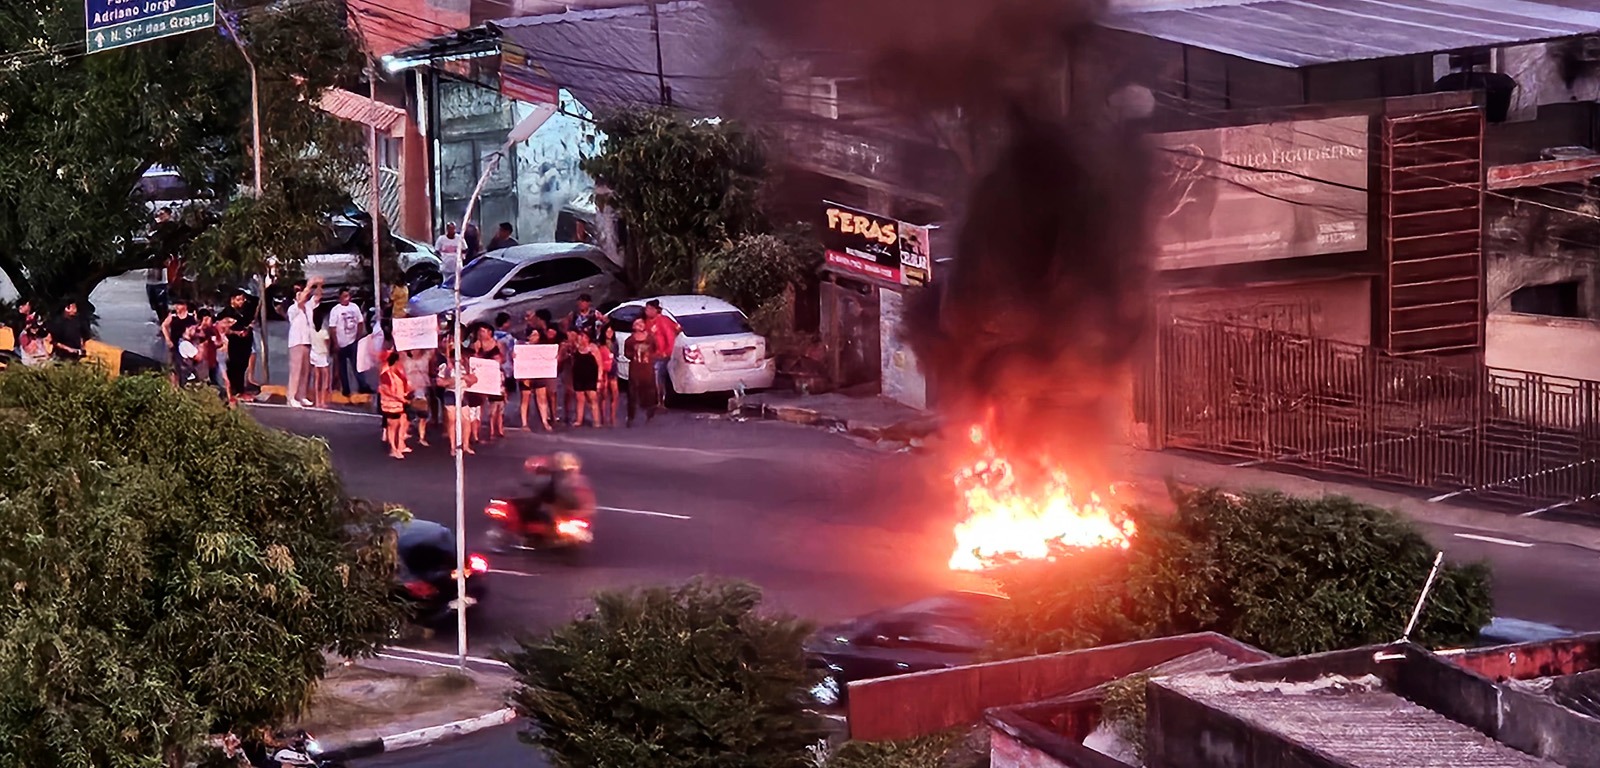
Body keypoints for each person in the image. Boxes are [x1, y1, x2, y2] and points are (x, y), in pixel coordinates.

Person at [285, 278, 322, 408]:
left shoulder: (308, 306)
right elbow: (301, 299)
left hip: (307, 341)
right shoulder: (293, 308)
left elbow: (317, 297)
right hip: (296, 342)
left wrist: (318, 285)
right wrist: (309, 285)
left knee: (306, 371)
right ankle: (291, 397)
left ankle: (301, 395)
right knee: (296, 370)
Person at [436, 343, 478, 456]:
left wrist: (465, 377)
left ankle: (466, 445)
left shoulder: (467, 367)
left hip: (463, 393)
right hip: (451, 393)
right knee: (452, 420)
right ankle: (453, 446)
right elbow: (440, 382)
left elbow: (474, 380)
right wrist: (452, 380)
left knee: (466, 420)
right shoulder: (446, 368)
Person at [517, 311, 555, 432]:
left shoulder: (543, 347)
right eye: (532, 335)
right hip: (526, 375)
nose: (534, 338)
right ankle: (524, 423)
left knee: (542, 397)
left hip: (539, 374)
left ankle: (544, 421)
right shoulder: (521, 347)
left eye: (536, 335)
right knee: (525, 398)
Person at [467, 322, 503, 445]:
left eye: (483, 331)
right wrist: (477, 351)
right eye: (479, 331)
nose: (480, 334)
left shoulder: (497, 344)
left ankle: (496, 429)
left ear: (489, 332)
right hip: (480, 378)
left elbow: (503, 359)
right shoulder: (475, 344)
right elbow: (471, 360)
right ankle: (475, 433)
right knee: (478, 405)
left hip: (493, 378)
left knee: (496, 404)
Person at [327, 288, 368, 398]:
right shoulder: (335, 310)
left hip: (353, 340)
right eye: (344, 296)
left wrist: (358, 337)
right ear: (340, 297)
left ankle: (363, 386)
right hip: (341, 342)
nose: (347, 298)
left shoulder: (354, 307)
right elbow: (332, 328)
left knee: (357, 365)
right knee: (342, 368)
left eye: (348, 296)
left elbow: (360, 322)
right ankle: (346, 389)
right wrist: (335, 343)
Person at [219, 291, 256, 404]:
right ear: (232, 300)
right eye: (239, 300)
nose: (241, 302)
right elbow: (222, 328)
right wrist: (236, 333)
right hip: (233, 343)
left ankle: (240, 389)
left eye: (242, 300)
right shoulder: (227, 312)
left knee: (243, 365)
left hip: (245, 342)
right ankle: (234, 390)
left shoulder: (245, 311)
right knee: (234, 366)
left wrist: (249, 328)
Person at [643, 299, 679, 411]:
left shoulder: (663, 321)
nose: (646, 311)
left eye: (649, 309)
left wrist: (666, 352)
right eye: (646, 308)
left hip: (661, 355)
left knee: (658, 378)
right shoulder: (647, 322)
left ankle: (660, 402)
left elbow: (670, 337)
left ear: (655, 310)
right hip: (651, 355)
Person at [624, 317, 659, 426]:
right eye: (636, 323)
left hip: (647, 370)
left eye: (641, 323)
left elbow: (655, 350)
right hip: (635, 370)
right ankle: (631, 417)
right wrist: (636, 352)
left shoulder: (650, 338)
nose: (639, 325)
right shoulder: (630, 340)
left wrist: (647, 355)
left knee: (649, 392)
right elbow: (627, 354)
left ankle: (650, 414)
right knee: (632, 393)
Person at [379, 351, 412, 460]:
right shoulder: (386, 375)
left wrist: (407, 393)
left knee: (401, 423)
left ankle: (399, 445)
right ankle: (393, 449)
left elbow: (404, 386)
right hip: (391, 405)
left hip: (399, 404)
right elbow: (385, 390)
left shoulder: (398, 373)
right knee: (392, 427)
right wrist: (400, 398)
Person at [491, 312, 517, 440]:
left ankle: (494, 423)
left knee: (494, 399)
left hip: (493, 368)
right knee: (504, 396)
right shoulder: (508, 337)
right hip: (507, 369)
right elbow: (513, 353)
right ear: (505, 323)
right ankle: (501, 419)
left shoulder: (492, 336)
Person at [402, 348, 434, 447]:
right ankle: (403, 434)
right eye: (412, 349)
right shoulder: (405, 359)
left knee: (423, 415)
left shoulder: (425, 358)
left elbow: (432, 350)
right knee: (407, 416)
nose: (414, 351)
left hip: (422, 388)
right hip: (409, 390)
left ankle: (421, 437)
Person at [598, 324, 620, 427]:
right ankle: (603, 417)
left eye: (611, 332)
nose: (610, 334)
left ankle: (613, 416)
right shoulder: (600, 345)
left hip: (613, 369)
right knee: (604, 395)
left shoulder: (615, 344)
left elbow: (616, 356)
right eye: (607, 332)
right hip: (604, 370)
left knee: (615, 394)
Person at [309, 314, 333, 409]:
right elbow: (328, 344)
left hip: (314, 354)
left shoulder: (312, 332)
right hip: (322, 355)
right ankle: (322, 401)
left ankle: (317, 401)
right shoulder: (324, 332)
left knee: (317, 379)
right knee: (325, 379)